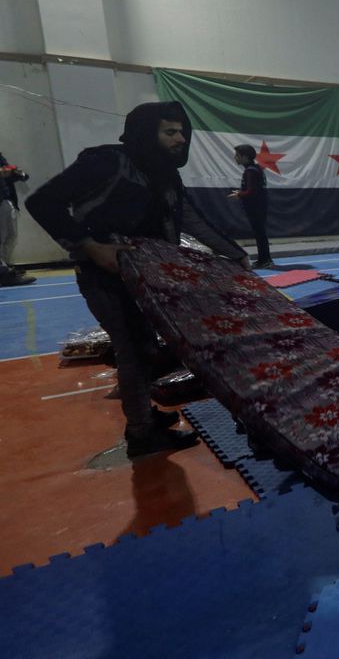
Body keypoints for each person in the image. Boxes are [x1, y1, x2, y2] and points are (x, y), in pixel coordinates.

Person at [26, 101, 251, 457]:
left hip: (144, 280)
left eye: (182, 132)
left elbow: (192, 219)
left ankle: (144, 414)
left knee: (146, 348)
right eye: (170, 132)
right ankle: (141, 435)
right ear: (146, 133)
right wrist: (89, 245)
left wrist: (234, 254)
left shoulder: (165, 175)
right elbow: (42, 202)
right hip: (105, 278)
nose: (180, 139)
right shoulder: (107, 162)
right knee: (132, 349)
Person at [228, 144, 273, 268]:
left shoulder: (251, 171)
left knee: (260, 233)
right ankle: (264, 259)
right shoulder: (255, 169)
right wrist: (241, 192)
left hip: (256, 207)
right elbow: (252, 189)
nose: (235, 158)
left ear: (245, 157)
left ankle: (265, 260)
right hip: (259, 206)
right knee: (260, 233)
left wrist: (239, 194)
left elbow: (251, 192)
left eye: (238, 155)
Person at [0, 151, 35, 286]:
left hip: (5, 199)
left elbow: (7, 171)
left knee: (11, 236)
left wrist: (15, 173)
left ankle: (5, 267)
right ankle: (3, 272)